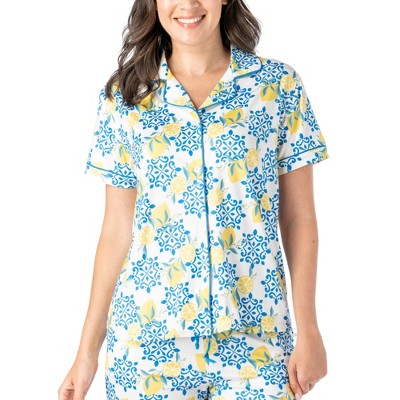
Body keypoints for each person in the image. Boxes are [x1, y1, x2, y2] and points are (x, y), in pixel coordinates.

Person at [58, 0, 329, 399]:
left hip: (257, 336)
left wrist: (309, 330)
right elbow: (116, 230)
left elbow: (299, 218)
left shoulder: (278, 86)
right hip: (146, 344)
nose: (187, 4)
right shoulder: (125, 97)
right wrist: (86, 353)